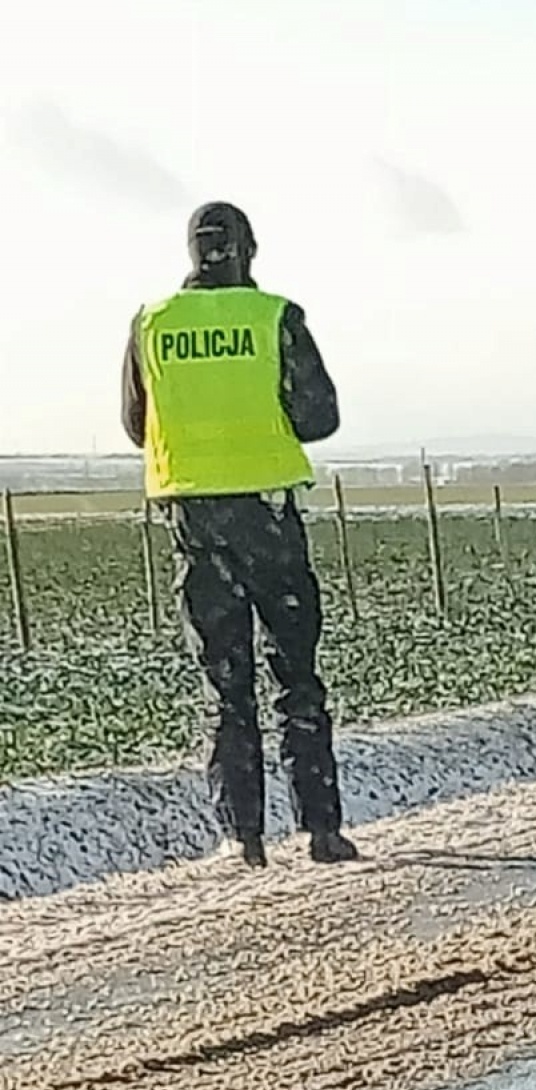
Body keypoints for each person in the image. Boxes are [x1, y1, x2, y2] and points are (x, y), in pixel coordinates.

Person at [120, 201, 359, 869]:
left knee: (225, 686)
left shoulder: (151, 323)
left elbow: (136, 423)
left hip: (193, 524)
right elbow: (318, 416)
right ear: (249, 249)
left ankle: (243, 837)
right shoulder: (275, 318)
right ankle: (322, 830)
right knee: (297, 676)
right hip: (269, 519)